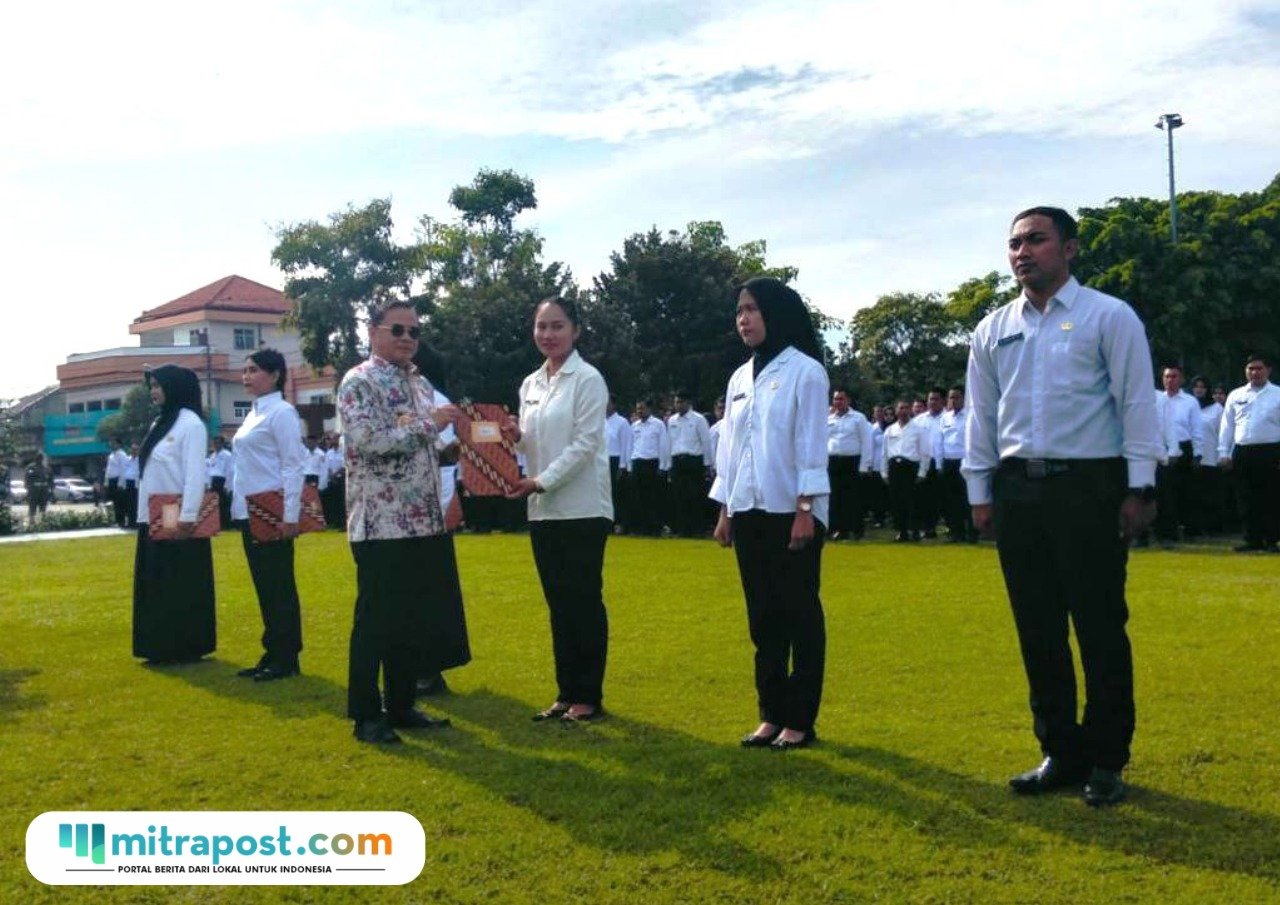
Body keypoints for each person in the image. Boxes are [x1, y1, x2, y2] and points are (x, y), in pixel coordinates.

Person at [963, 206, 1160, 807]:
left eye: (1037, 240)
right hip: (1019, 488)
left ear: (1069, 249)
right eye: (1014, 243)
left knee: (1100, 625)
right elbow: (982, 414)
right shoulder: (993, 329)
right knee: (1038, 629)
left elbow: (1135, 404)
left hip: (1089, 487)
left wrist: (1139, 486)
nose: (1023, 252)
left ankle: (1106, 757)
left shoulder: (1109, 316)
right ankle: (1059, 750)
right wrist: (980, 492)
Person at [711, 276, 829, 751]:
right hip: (749, 509)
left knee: (799, 613)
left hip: (791, 510)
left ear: (776, 314)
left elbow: (810, 444)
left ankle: (800, 719)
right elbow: (731, 447)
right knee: (762, 618)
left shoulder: (805, 371)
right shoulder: (740, 377)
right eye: (739, 311)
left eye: (753, 309)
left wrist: (806, 507)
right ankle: (770, 713)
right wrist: (725, 507)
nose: (744, 319)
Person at [338, 300, 461, 744]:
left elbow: (428, 445)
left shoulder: (421, 384)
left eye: (414, 331)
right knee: (376, 620)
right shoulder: (358, 382)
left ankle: (403, 704)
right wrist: (431, 427)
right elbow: (369, 441)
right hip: (380, 522)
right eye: (398, 329)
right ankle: (366, 714)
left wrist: (479, 446)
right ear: (373, 332)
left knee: (411, 619)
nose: (408, 338)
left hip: (422, 519)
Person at [502, 296, 613, 724]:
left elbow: (585, 445)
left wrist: (540, 481)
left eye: (557, 326)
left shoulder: (587, 379)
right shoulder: (531, 384)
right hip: (543, 509)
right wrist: (516, 437)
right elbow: (535, 444)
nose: (548, 334)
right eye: (541, 326)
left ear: (576, 330)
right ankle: (566, 692)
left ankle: (588, 696)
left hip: (583, 507)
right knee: (559, 604)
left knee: (583, 601)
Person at [230, 348, 308, 682]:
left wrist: (291, 514)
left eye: (254, 370)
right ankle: (272, 650)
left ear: (275, 374)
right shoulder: (254, 413)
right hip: (249, 508)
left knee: (279, 585)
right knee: (264, 584)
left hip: (273, 509)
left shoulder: (282, 413)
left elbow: (293, 464)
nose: (246, 376)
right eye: (245, 370)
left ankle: (286, 656)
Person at [132, 365, 217, 665]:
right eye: (151, 386)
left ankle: (185, 644)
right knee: (156, 579)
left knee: (179, 577)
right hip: (153, 512)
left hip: (176, 511)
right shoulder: (160, 422)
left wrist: (189, 515)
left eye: (158, 386)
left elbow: (195, 474)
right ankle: (159, 644)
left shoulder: (190, 424)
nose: (154, 392)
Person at [1218, 354, 1280, 553]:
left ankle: (1271, 540)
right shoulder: (1236, 395)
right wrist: (1223, 453)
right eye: (1251, 368)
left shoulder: (1277, 394)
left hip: (1271, 450)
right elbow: (1227, 426)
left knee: (1271, 497)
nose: (1255, 372)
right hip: (1243, 450)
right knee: (1245, 498)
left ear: (1268, 370)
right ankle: (1251, 539)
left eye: (1259, 368)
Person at [1148, 364, 1201, 546]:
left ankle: (1170, 533)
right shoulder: (1154, 398)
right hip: (1147, 449)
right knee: (1145, 493)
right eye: (1167, 377)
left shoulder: (1189, 401)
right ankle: (1144, 534)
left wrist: (1196, 453)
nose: (1170, 380)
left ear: (1181, 379)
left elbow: (1194, 429)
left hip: (1177, 448)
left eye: (1174, 376)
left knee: (1171, 493)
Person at [826, 388, 873, 540]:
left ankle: (857, 529)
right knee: (835, 497)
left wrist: (864, 465)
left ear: (848, 401)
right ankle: (838, 529)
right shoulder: (829, 419)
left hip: (852, 461)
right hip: (833, 461)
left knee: (853, 498)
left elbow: (867, 442)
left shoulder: (858, 418)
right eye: (835, 399)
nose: (838, 402)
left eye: (841, 399)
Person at [880, 401, 929, 541]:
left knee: (912, 501)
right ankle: (901, 531)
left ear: (910, 411)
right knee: (897, 502)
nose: (904, 410)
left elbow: (925, 452)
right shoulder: (890, 430)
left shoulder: (919, 429)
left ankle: (914, 531)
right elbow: (884, 452)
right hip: (894, 467)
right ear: (896, 411)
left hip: (910, 467)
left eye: (907, 408)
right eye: (901, 408)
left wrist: (922, 472)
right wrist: (884, 472)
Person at [666, 392, 713, 537]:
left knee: (695, 495)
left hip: (693, 460)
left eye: (680, 402)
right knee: (679, 496)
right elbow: (669, 442)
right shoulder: (672, 420)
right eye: (676, 402)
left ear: (688, 402)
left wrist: (707, 464)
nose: (678, 405)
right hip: (677, 460)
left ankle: (697, 529)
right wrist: (669, 465)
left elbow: (706, 442)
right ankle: (682, 529)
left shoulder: (698, 419)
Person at [1187, 376, 1223, 536]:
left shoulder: (1217, 409)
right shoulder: (1187, 405)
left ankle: (1212, 527)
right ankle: (1191, 527)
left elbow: (1222, 434)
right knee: (1191, 495)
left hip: (1210, 457)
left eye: (1202, 387)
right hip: (1190, 457)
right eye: (1196, 386)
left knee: (1210, 495)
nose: (1199, 389)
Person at [629, 399, 670, 536]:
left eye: (642, 408)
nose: (640, 411)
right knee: (638, 498)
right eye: (638, 409)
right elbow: (631, 446)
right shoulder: (634, 426)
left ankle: (654, 528)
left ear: (649, 409)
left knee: (652, 498)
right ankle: (641, 527)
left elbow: (663, 446)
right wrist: (629, 466)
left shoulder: (658, 425)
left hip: (652, 463)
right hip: (637, 462)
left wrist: (663, 466)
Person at [939, 386, 975, 542]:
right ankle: (956, 532)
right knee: (951, 500)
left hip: (965, 460)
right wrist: (940, 463)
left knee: (967, 499)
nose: (953, 401)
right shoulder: (945, 418)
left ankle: (972, 533)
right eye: (950, 398)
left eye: (956, 397)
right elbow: (939, 441)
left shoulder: (970, 416)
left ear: (963, 398)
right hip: (949, 461)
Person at [912, 388, 946, 538]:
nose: (932, 402)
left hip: (945, 463)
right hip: (925, 464)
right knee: (924, 498)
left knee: (943, 498)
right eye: (930, 399)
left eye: (936, 399)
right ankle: (927, 528)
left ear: (943, 401)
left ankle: (952, 528)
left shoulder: (948, 418)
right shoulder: (919, 420)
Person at [605, 398, 632, 533]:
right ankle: (607, 523)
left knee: (616, 494)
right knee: (604, 494)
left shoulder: (622, 422)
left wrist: (623, 465)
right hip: (602, 461)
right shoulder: (600, 422)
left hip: (616, 460)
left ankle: (619, 523)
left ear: (614, 405)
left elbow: (626, 445)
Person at [206, 435, 234, 528]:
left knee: (224, 504)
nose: (216, 445)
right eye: (215, 443)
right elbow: (209, 470)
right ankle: (217, 524)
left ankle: (226, 525)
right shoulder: (212, 456)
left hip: (222, 480)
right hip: (213, 481)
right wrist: (209, 484)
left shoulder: (227, 455)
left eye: (218, 443)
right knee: (215, 504)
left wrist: (227, 485)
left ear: (222, 443)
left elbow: (230, 471)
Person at [105, 437, 129, 528]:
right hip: (111, 481)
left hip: (117, 480)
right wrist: (106, 481)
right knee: (114, 502)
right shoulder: (111, 455)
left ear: (119, 444)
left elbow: (123, 469)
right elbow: (108, 469)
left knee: (120, 502)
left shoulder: (122, 455)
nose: (112, 444)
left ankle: (122, 521)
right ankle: (117, 521)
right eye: (111, 443)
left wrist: (120, 483)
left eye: (114, 443)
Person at [25, 455, 53, 525]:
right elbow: (28, 478)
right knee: (32, 505)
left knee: (43, 505)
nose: (39, 460)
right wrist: (29, 487)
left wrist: (51, 488)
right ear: (35, 459)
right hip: (34, 490)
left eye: (41, 459)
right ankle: (32, 521)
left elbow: (51, 479)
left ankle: (42, 521)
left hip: (44, 489)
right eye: (38, 459)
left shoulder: (47, 468)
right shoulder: (31, 467)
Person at [122, 443, 140, 529]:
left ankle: (135, 523)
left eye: (136, 449)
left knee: (135, 504)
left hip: (135, 484)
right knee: (127, 504)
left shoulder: (140, 460)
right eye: (133, 449)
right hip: (127, 483)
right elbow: (124, 471)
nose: (134, 451)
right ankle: (129, 522)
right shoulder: (127, 459)